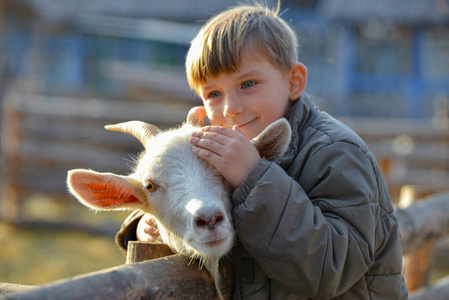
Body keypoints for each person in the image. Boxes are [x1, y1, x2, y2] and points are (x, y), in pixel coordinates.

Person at [116, 2, 408, 299]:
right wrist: (152, 223)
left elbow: (332, 268)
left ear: (294, 82)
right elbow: (203, 213)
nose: (231, 107)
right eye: (214, 93)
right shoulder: (228, 153)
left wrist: (254, 179)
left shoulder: (335, 154)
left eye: (248, 83)